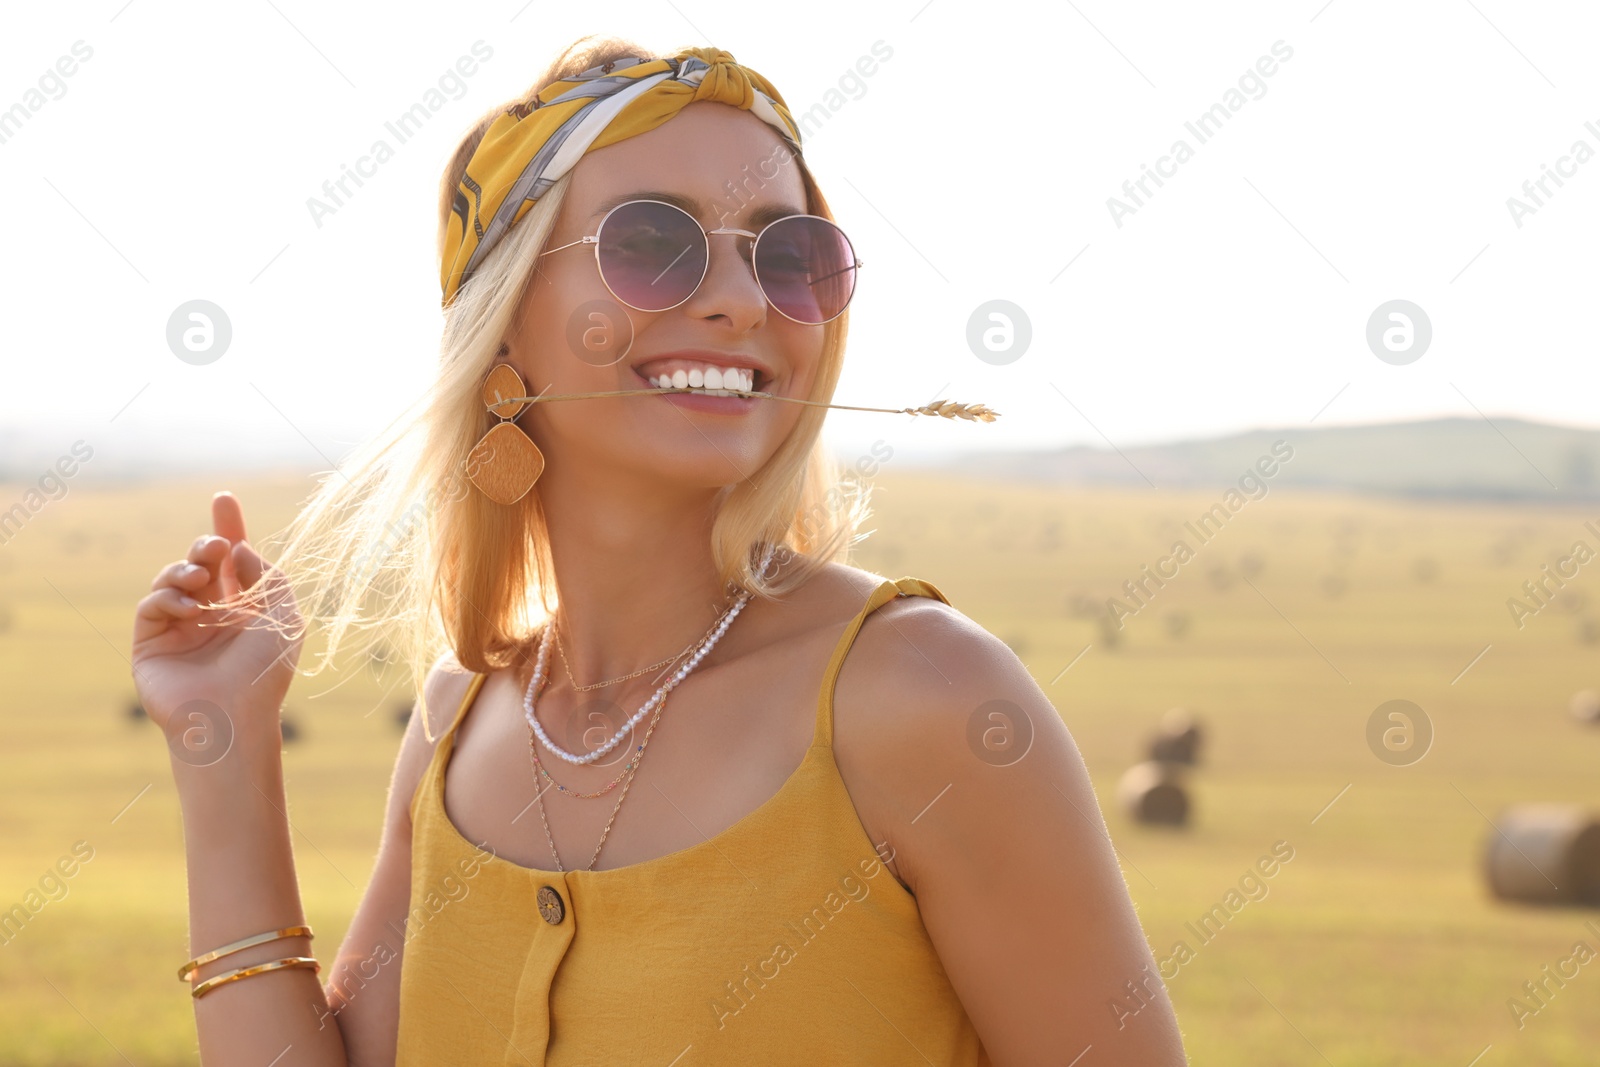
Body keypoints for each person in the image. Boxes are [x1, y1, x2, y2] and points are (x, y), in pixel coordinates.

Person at [131, 35, 1188, 1066]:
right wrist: (220, 747)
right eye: (649, 244)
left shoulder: (923, 699)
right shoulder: (460, 725)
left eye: (790, 255)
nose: (740, 299)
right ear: (503, 323)